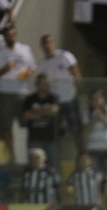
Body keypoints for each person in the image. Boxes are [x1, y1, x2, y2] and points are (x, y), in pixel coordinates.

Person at [38, 35, 82, 151]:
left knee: (76, 130)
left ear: (54, 43)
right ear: (42, 46)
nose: (48, 45)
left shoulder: (64, 56)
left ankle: (82, 155)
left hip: (70, 98)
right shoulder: (42, 64)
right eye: (45, 43)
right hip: (55, 102)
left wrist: (77, 91)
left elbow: (76, 74)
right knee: (57, 132)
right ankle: (57, 158)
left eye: (50, 42)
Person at [0, 26, 36, 159]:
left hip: (22, 91)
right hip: (5, 93)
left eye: (12, 34)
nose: (11, 37)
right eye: (7, 35)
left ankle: (30, 155)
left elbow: (32, 67)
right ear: (4, 37)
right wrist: (5, 69)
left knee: (26, 123)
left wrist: (27, 74)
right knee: (5, 127)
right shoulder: (1, 51)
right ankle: (12, 156)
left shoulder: (25, 49)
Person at [22, 73, 59, 168]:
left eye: (49, 83)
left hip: (51, 138)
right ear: (38, 84)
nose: (48, 85)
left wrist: (36, 112)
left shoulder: (53, 98)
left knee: (53, 165)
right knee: (34, 165)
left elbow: (53, 111)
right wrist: (45, 111)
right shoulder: (30, 99)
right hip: (35, 138)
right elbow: (27, 115)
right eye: (45, 83)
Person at [82, 89, 107, 176]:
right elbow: (86, 130)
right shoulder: (87, 112)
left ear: (103, 99)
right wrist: (95, 120)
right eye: (94, 99)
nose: (97, 101)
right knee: (95, 175)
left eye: (99, 98)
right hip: (93, 150)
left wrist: (102, 117)